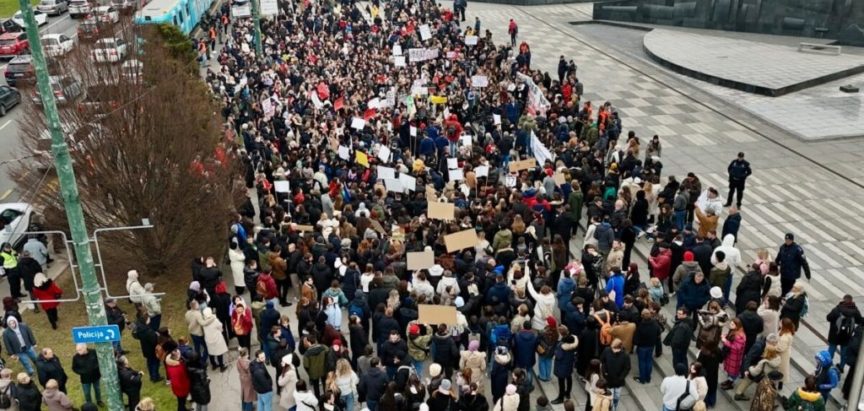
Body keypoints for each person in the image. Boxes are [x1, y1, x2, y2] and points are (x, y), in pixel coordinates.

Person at [826, 294, 862, 373]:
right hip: (847, 335)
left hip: (834, 334)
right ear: (851, 301)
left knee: (831, 350)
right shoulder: (855, 311)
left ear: (843, 300)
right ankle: (841, 367)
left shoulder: (838, 309)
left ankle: (827, 365)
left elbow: (828, 317)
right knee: (844, 352)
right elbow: (860, 320)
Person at [599, 339, 629, 411]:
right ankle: (612, 408)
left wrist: (621, 377)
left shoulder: (625, 355)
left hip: (619, 381)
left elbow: (627, 368)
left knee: (617, 396)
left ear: (620, 348)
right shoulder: (607, 350)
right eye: (612, 348)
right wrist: (604, 371)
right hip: (609, 379)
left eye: (615, 348)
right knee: (610, 397)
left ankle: (615, 405)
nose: (613, 350)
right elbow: (602, 361)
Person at [132, 313, 162, 382]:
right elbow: (154, 340)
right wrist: (157, 335)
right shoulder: (147, 331)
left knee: (149, 362)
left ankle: (152, 376)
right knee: (155, 363)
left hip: (145, 349)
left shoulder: (140, 328)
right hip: (152, 349)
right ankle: (155, 377)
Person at [633, 309, 661, 384]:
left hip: (642, 346)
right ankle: (648, 377)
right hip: (651, 346)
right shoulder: (655, 324)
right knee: (649, 361)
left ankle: (642, 378)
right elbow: (658, 333)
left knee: (642, 362)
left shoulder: (641, 326)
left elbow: (636, 338)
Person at [552, 328, 578, 403]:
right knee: (569, 378)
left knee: (561, 382)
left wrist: (556, 351)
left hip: (561, 366)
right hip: (569, 365)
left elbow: (559, 356)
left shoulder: (561, 346)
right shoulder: (574, 344)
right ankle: (568, 393)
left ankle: (560, 398)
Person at [720, 318, 747, 391]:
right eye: (730, 323)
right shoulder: (734, 331)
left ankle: (730, 383)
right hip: (730, 355)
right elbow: (730, 337)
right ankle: (728, 381)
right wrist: (724, 336)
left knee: (732, 372)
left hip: (734, 357)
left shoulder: (740, 336)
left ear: (737, 326)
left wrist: (725, 341)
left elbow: (736, 347)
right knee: (729, 370)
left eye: (732, 324)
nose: (730, 325)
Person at [200, 307, 228, 372]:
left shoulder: (203, 321)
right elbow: (220, 326)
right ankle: (221, 366)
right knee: (219, 352)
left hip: (208, 339)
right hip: (216, 338)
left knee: (211, 353)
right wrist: (221, 330)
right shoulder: (214, 320)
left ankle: (214, 365)